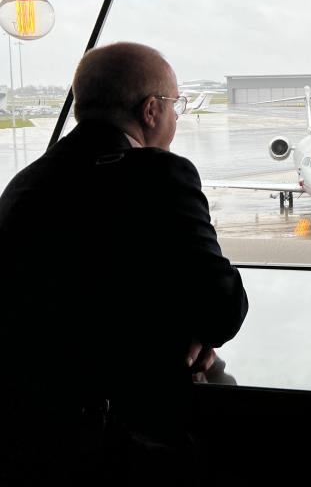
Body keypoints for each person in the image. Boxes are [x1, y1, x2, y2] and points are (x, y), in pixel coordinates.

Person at [0, 42, 248, 484]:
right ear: (151, 110)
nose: (176, 117)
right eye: (175, 105)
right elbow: (222, 309)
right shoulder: (157, 174)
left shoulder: (25, 183)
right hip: (126, 441)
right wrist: (186, 328)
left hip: (29, 433)